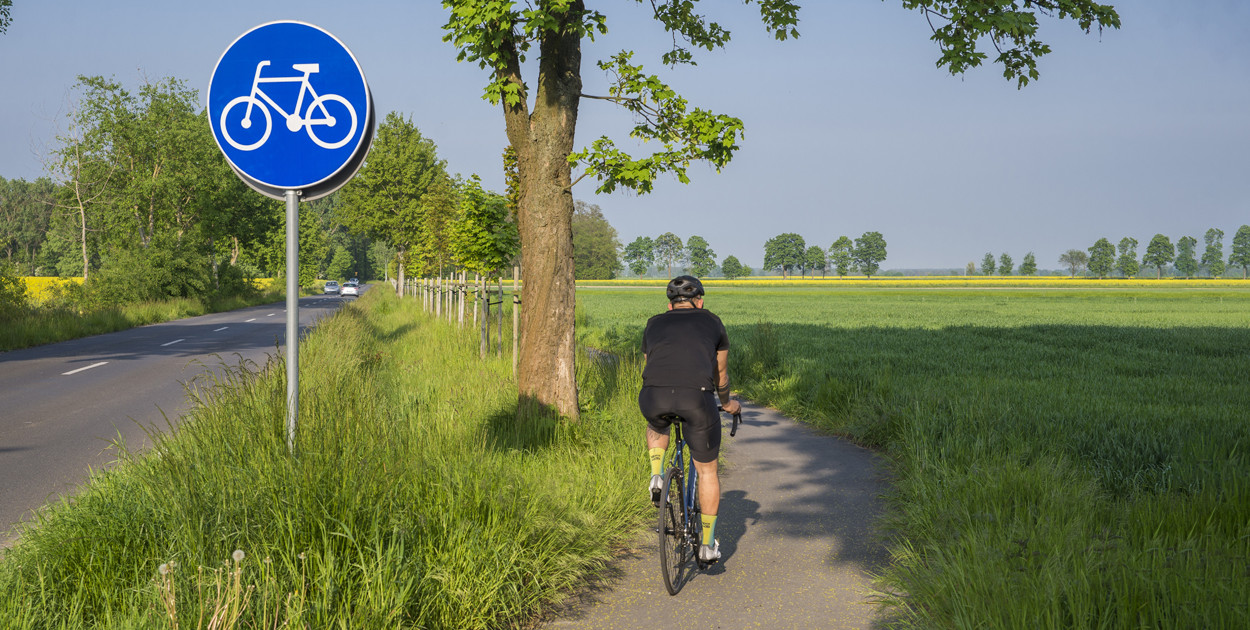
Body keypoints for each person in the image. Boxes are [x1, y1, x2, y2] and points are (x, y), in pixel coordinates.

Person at [640, 275, 741, 564]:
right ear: (700, 302)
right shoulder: (712, 322)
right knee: (707, 471)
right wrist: (727, 404)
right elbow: (720, 374)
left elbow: (651, 366)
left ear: (670, 306)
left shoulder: (653, 323)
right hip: (696, 398)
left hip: (653, 395)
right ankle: (707, 545)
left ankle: (657, 474)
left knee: (657, 422)